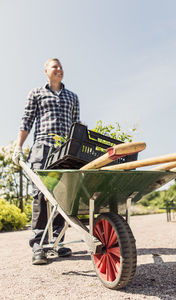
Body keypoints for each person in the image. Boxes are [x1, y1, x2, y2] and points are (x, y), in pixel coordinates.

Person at [12, 58, 80, 265]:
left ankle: (58, 241)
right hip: (42, 147)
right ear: (45, 71)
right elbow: (27, 120)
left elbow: (76, 124)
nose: (59, 69)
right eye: (54, 66)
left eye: (61, 67)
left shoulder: (72, 97)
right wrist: (18, 146)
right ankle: (39, 245)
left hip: (65, 151)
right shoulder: (36, 93)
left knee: (63, 195)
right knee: (41, 194)